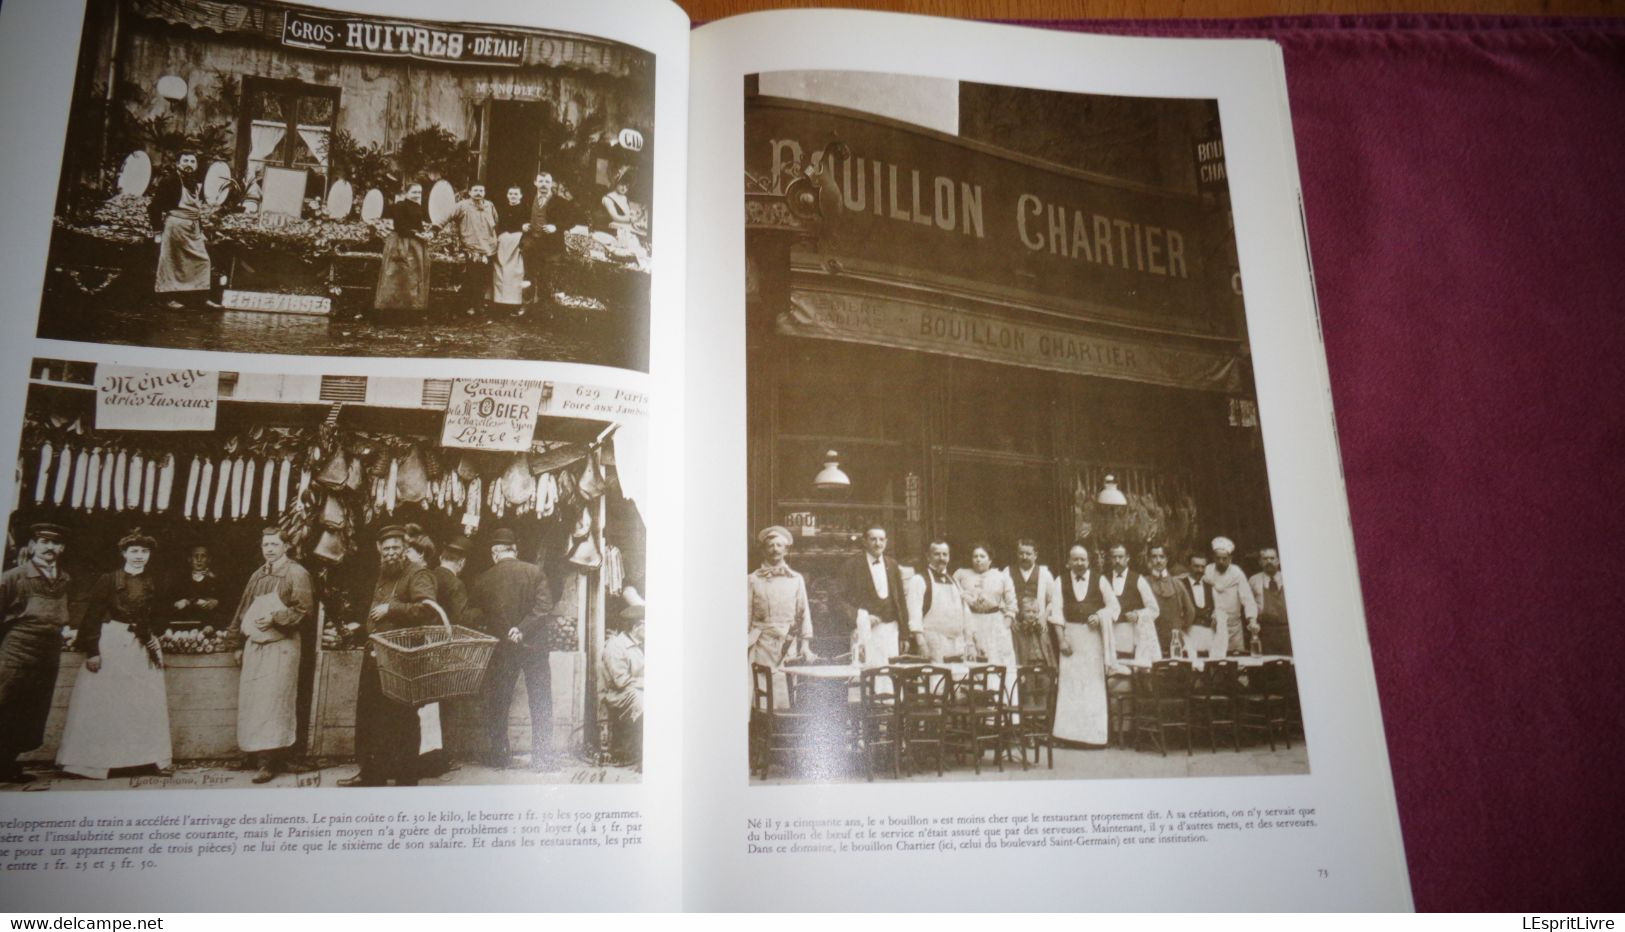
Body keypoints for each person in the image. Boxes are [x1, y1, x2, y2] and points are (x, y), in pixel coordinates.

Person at [57, 529, 172, 779]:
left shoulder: (155, 582)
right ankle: (92, 762)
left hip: (141, 645)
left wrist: (151, 631)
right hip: (112, 643)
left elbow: (163, 615)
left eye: (144, 551)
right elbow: (92, 617)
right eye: (134, 551)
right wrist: (92, 651)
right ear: (124, 553)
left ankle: (141, 760)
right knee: (107, 701)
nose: (139, 556)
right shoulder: (108, 580)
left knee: (141, 702)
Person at [340, 526, 438, 787]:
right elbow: (376, 613)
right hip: (376, 655)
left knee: (402, 719)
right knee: (373, 717)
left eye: (396, 548)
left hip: (402, 659)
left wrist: (391, 609)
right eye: (387, 549)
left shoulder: (418, 573)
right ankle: (374, 775)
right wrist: (360, 627)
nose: (391, 553)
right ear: (379, 550)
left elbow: (427, 609)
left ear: (405, 549)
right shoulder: (383, 573)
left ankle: (406, 779)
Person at [227, 527, 314, 783]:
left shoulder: (297, 573)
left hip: (282, 646)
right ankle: (252, 755)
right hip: (256, 647)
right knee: (254, 701)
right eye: (265, 545)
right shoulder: (257, 575)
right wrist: (236, 643)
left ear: (286, 546)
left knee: (275, 702)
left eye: (274, 544)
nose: (269, 549)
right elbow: (242, 609)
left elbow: (304, 610)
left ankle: (269, 762)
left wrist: (275, 617)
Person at [468, 528, 556, 771]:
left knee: (498, 702)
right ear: (514, 551)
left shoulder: (483, 578)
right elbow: (544, 608)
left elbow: (474, 614)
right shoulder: (535, 572)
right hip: (535, 647)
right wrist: (522, 629)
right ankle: (543, 758)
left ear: (494, 553)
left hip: (501, 648)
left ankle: (499, 755)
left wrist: (504, 628)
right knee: (540, 701)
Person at [0, 524, 72, 783]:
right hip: (16, 653)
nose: (49, 548)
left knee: (31, 710)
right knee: (5, 705)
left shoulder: (64, 579)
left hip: (47, 654)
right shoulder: (13, 577)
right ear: (32, 546)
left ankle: (7, 765)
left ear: (61, 548)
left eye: (54, 543)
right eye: (43, 541)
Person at [1046, 542, 1120, 747]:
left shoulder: (1101, 580)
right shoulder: (1060, 581)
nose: (1079, 563)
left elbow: (1114, 607)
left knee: (1092, 686)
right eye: (1075, 559)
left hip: (1093, 639)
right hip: (1071, 637)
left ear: (1089, 561)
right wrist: (1061, 639)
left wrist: (1099, 615)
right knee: (1069, 687)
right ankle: (1067, 736)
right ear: (1069, 562)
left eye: (1083, 559)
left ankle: (1094, 737)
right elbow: (1057, 612)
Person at [148, 151, 213, 309]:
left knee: (202, 260)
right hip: (176, 225)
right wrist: (157, 232)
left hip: (193, 227)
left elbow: (196, 211)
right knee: (171, 262)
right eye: (185, 161)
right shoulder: (170, 181)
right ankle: (166, 298)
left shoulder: (194, 183)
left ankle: (200, 298)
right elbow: (154, 207)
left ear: (196, 165)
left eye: (192, 161)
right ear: (178, 164)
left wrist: (201, 230)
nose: (189, 164)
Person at [836, 526, 909, 665]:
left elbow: (900, 599)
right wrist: (859, 616)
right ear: (864, 541)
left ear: (886, 542)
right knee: (865, 672)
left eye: (881, 539)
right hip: (865, 630)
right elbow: (838, 599)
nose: (878, 543)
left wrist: (904, 634)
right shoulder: (851, 565)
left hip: (891, 630)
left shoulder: (892, 565)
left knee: (889, 674)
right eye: (873, 539)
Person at [746, 525, 811, 673]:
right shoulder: (752, 579)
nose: (775, 549)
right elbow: (746, 615)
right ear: (763, 550)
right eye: (770, 546)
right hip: (760, 643)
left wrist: (805, 645)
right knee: (760, 690)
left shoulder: (796, 579)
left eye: (779, 545)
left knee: (785, 690)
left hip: (787, 644)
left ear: (786, 550)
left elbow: (804, 613)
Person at [955, 543, 1017, 679]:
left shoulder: (1001, 576)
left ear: (990, 559)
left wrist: (1005, 626)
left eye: (982, 556)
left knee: (997, 659)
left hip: (994, 622)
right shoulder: (962, 575)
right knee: (974, 660)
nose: (978, 559)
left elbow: (1012, 604)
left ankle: (1000, 697)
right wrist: (967, 598)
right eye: (975, 556)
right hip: (971, 622)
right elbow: (955, 597)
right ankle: (976, 696)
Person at [374, 180, 432, 316]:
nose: (417, 195)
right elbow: (400, 227)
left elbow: (418, 224)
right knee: (397, 273)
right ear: (406, 193)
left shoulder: (418, 206)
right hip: (401, 242)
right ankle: (390, 309)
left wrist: (425, 233)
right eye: (414, 192)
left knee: (413, 276)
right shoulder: (399, 206)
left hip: (416, 243)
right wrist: (417, 234)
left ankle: (410, 308)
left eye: (419, 192)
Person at [906, 540, 968, 662]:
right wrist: (921, 643)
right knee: (937, 679)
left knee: (959, 678)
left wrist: (969, 641)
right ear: (928, 556)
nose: (941, 558)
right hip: (933, 643)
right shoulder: (919, 580)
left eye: (945, 554)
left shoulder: (954, 581)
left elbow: (964, 611)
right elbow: (914, 613)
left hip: (957, 644)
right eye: (937, 554)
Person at [600, 605, 644, 769]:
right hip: (617, 694)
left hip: (634, 688)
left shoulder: (639, 644)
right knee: (644, 701)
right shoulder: (616, 646)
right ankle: (641, 757)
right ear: (636, 626)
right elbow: (621, 681)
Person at [522, 171, 574, 305]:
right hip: (531, 243)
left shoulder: (561, 202)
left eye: (547, 182)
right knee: (529, 275)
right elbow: (519, 216)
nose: (544, 185)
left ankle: (543, 310)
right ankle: (527, 306)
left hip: (551, 245)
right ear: (535, 183)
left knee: (546, 276)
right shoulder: (527, 199)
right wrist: (523, 224)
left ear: (552, 184)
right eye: (541, 181)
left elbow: (571, 221)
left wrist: (556, 227)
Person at [447, 183, 499, 315]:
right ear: (469, 192)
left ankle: (479, 305)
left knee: (483, 279)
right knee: (471, 278)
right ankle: (469, 306)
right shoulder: (463, 205)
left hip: (488, 249)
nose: (478, 193)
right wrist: (436, 228)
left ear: (485, 192)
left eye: (481, 190)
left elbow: (496, 222)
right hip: (472, 249)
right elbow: (448, 215)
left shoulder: (490, 205)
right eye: (475, 190)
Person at [1004, 538, 1056, 667]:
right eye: (1021, 553)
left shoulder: (1044, 573)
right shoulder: (1007, 572)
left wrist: (1044, 617)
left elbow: (1053, 600)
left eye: (1028, 554)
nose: (1024, 557)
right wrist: (1010, 618)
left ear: (1035, 555)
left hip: (1038, 626)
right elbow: (1001, 600)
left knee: (1041, 660)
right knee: (1016, 660)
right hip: (1016, 627)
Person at [1203, 537, 1258, 655]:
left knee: (1235, 660)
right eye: (1218, 558)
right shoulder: (1208, 570)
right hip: (1214, 625)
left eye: (1224, 558)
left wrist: (1252, 619)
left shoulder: (1237, 573)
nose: (1221, 561)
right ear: (1213, 558)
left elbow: (1247, 598)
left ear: (1230, 559)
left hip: (1233, 627)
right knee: (1214, 660)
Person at [1107, 543, 1161, 662]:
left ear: (1127, 558)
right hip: (1110, 635)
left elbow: (1154, 609)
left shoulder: (1138, 579)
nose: (1117, 560)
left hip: (1132, 635)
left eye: (1120, 557)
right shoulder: (1104, 580)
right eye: (1114, 557)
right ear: (1110, 559)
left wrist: (1138, 615)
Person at [1145, 543, 1196, 656]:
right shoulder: (1144, 582)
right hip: (1151, 640)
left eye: (1162, 557)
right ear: (1149, 560)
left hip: (1175, 640)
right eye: (1154, 557)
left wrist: (1179, 626)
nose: (1158, 560)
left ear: (1167, 559)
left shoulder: (1177, 584)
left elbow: (1190, 612)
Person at [599, 170, 650, 269]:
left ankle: (637, 259)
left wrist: (634, 217)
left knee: (640, 239)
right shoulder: (608, 198)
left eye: (627, 186)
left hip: (624, 226)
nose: (624, 188)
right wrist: (631, 219)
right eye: (622, 184)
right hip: (612, 226)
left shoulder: (624, 198)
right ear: (616, 182)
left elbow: (628, 215)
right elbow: (615, 217)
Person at [491, 185, 528, 312]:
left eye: (516, 194)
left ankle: (514, 303)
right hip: (502, 242)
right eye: (511, 194)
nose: (513, 196)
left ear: (521, 196)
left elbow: (528, 225)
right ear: (507, 195)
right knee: (500, 271)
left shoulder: (526, 209)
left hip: (517, 242)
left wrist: (524, 228)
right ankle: (499, 302)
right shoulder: (500, 209)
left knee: (515, 272)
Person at [168, 544, 224, 630]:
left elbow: (226, 604)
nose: (199, 560)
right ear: (189, 559)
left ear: (209, 559)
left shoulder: (216, 581)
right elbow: (169, 603)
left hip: (209, 626)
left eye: (203, 556)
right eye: (195, 556)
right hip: (184, 627)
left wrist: (216, 602)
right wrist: (178, 603)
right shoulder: (180, 581)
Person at [1249, 547, 1291, 655]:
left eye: (1272, 558)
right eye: (1265, 558)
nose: (1269, 561)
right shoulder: (1253, 580)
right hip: (1265, 631)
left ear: (1278, 560)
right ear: (1260, 562)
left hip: (1288, 630)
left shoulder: (1289, 577)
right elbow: (1248, 605)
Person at [1180, 552, 1220, 657]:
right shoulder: (1180, 585)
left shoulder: (1210, 587)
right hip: (1187, 635)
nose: (1200, 570)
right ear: (1189, 566)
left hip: (1208, 635)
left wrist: (1217, 615)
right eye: (1196, 566)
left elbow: (1218, 609)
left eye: (1203, 567)